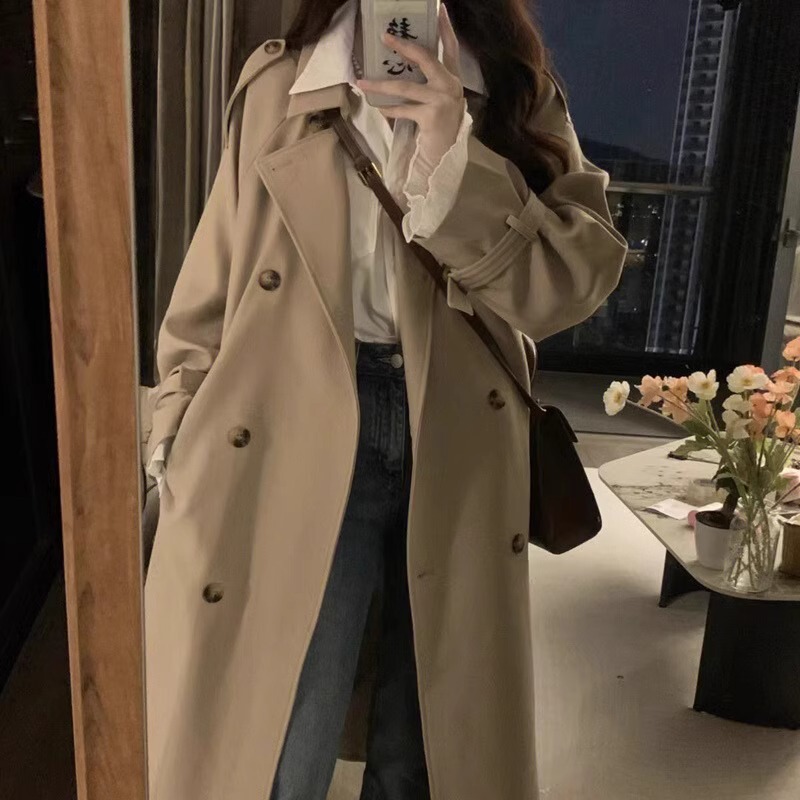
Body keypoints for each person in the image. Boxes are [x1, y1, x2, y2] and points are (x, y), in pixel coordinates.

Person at [142, 1, 629, 799]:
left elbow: (571, 285)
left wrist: (453, 155)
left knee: (430, 742)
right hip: (293, 420)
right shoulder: (281, 82)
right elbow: (212, 280)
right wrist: (174, 419)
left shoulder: (513, 86)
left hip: (458, 429)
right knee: (278, 731)